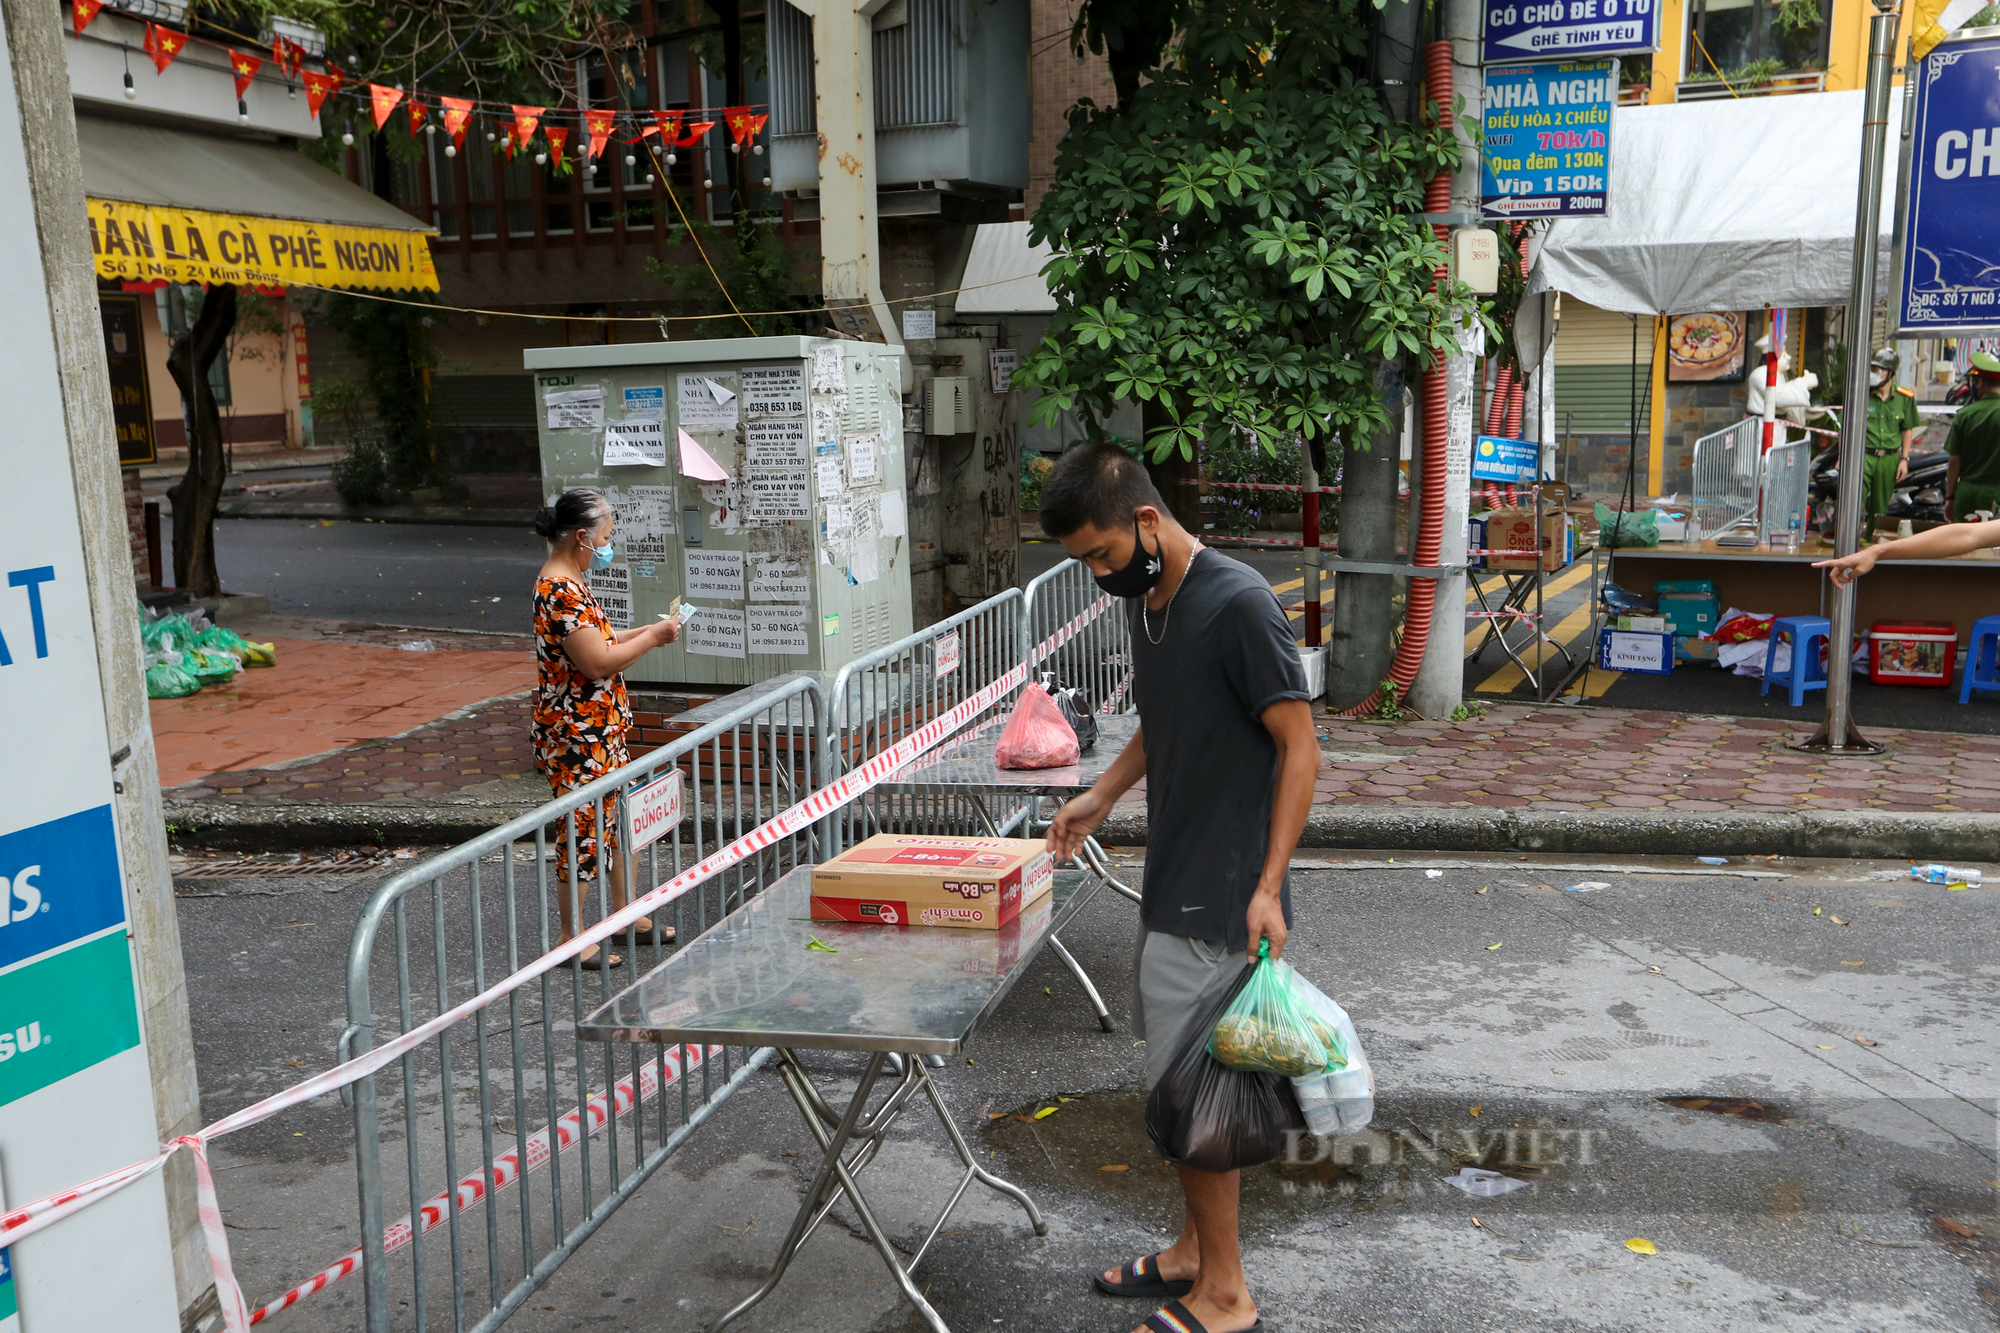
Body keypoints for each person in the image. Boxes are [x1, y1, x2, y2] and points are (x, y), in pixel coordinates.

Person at [1039, 442, 1320, 1333]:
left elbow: (1301, 747)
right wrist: (1101, 794)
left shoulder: (1236, 603)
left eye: (1100, 554)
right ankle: (1194, 1251)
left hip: (1226, 887)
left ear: (1146, 522)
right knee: (1175, 1080)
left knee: (1200, 1095)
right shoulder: (1150, 600)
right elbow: (1166, 723)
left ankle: (1227, 1295)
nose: (1095, 574)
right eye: (1082, 561)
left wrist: (1269, 886)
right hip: (1176, 871)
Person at [532, 488, 682, 969]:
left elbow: (603, 641)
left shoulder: (570, 580)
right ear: (582, 538)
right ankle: (570, 937)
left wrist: (647, 632)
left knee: (617, 821)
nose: (608, 546)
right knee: (581, 831)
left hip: (598, 731)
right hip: (579, 736)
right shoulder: (558, 589)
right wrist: (654, 638)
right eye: (606, 538)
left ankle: (625, 915)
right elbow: (597, 662)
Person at [1861, 348, 1923, 534]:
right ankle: (1848, 541)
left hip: (1888, 459)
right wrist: (1842, 457)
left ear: (1891, 373)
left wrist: (1904, 459)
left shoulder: (1904, 398)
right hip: (1864, 456)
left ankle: (1870, 543)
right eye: (1872, 368)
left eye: (1879, 369)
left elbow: (1907, 430)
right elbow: (1845, 427)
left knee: (1880, 506)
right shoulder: (1862, 394)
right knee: (1854, 500)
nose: (1874, 373)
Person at [1946, 351, 2000, 521]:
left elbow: (1954, 461)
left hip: (1966, 493)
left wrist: (1950, 498)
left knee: (1963, 543)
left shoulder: (1965, 415)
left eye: (1974, 382)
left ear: (1981, 382)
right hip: (1996, 494)